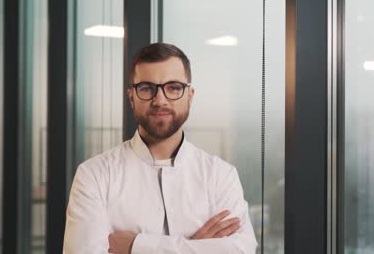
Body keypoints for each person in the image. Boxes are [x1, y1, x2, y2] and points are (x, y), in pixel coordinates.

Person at [63, 43, 258, 253]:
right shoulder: (94, 175)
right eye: (147, 88)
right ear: (131, 97)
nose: (160, 100)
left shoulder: (221, 175)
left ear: (190, 96)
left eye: (173, 87)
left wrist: (137, 246)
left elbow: (241, 249)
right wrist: (197, 245)